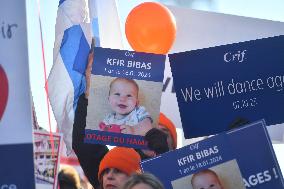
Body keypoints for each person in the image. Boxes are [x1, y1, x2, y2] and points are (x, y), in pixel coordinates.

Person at [72, 52, 175, 188]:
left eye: (163, 134)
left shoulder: (179, 181)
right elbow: (85, 145)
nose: (109, 175)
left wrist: (159, 155)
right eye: (106, 170)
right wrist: (90, 95)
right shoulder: (119, 159)